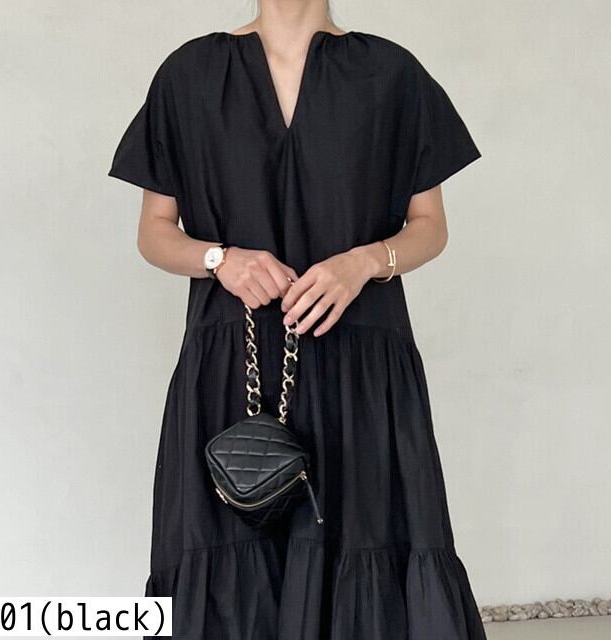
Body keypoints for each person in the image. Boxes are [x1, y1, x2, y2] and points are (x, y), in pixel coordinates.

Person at [108, 1, 486, 638]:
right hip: (231, 368)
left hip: (361, 370)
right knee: (230, 566)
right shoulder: (188, 74)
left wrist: (364, 262)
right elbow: (155, 233)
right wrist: (220, 259)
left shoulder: (392, 73)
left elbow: (430, 227)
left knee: (366, 549)